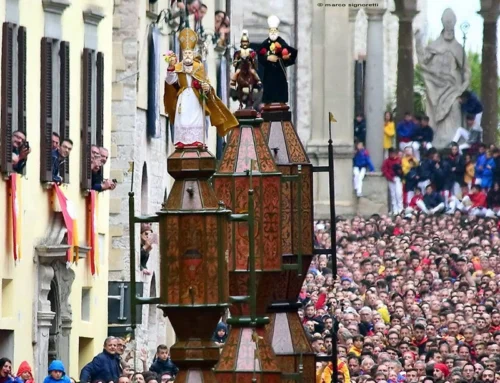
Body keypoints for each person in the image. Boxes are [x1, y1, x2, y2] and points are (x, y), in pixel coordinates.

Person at [165, 28, 238, 147]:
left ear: (193, 54)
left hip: (195, 98)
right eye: (185, 53)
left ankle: (197, 140)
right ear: (182, 54)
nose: (187, 55)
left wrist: (206, 87)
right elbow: (170, 80)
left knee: (196, 117)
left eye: (189, 53)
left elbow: (206, 83)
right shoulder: (178, 67)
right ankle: (181, 141)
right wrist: (170, 68)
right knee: (182, 118)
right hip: (183, 97)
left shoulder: (199, 67)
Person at [257, 15, 297, 104]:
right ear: (269, 31)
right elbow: (259, 54)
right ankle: (268, 103)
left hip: (279, 72)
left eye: (275, 31)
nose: (273, 33)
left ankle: (282, 103)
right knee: (268, 89)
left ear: (277, 31)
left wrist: (285, 57)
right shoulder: (266, 43)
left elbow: (288, 52)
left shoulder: (281, 42)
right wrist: (267, 57)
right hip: (269, 73)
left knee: (280, 90)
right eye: (271, 31)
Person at [382, 148, 403, 215]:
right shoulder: (387, 161)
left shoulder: (399, 160)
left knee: (399, 194)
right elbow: (385, 170)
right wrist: (390, 178)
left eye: (393, 153)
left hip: (398, 178)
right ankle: (395, 209)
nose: (392, 154)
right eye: (391, 153)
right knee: (393, 194)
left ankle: (400, 208)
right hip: (391, 179)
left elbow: (402, 170)